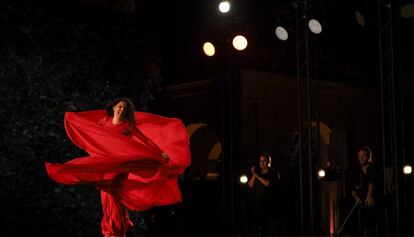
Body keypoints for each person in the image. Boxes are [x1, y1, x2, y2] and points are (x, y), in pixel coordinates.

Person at [45, 98, 191, 237]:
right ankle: (118, 227)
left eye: (124, 108)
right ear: (114, 107)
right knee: (108, 193)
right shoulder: (105, 121)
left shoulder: (127, 125)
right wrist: (74, 119)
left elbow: (145, 140)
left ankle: (113, 231)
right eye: (119, 106)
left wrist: (160, 152)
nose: (121, 109)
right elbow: (95, 134)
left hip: (121, 166)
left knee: (111, 191)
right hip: (107, 164)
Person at [247, 152, 280, 236]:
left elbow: (267, 184)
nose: (262, 163)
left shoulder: (273, 172)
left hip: (268, 202)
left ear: (269, 162)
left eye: (264, 161)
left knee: (268, 224)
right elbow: (250, 184)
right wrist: (254, 174)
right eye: (260, 161)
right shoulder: (258, 172)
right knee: (258, 223)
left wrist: (256, 175)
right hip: (257, 201)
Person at [351, 146, 377, 236]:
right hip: (360, 197)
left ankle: (369, 232)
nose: (361, 158)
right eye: (359, 156)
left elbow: (372, 182)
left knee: (370, 205)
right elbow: (353, 189)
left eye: (363, 156)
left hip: (372, 195)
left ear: (368, 157)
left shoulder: (373, 168)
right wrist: (356, 197)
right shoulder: (356, 171)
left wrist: (369, 196)